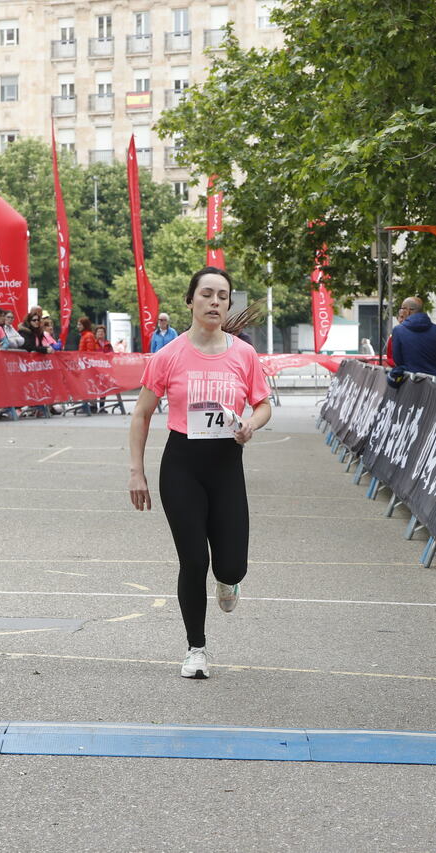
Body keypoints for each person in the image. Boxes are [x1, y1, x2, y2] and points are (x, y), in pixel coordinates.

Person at [128, 266, 273, 680]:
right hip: (182, 466)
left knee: (230, 566)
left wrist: (251, 422)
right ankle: (196, 649)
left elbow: (263, 404)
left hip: (227, 467)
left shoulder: (243, 354)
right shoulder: (168, 355)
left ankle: (228, 582)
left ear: (228, 305)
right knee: (193, 561)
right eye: (206, 294)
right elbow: (141, 415)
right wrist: (135, 472)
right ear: (190, 301)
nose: (214, 302)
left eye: (222, 296)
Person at [390, 295, 436, 381]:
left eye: (402, 309)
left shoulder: (398, 330)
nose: (401, 312)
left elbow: (398, 361)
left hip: (413, 383)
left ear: (408, 311)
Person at [385, 297, 418, 366]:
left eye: (404, 317)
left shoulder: (399, 332)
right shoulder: (394, 336)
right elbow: (390, 357)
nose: (401, 320)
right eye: (400, 317)